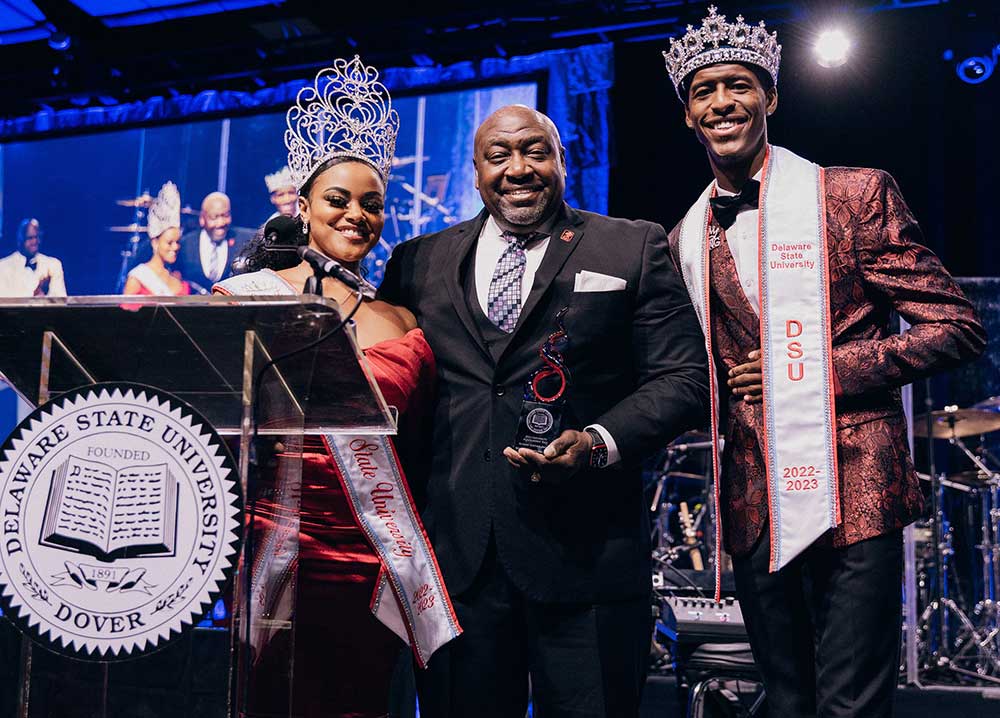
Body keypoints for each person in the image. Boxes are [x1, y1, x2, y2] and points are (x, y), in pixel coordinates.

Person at [662, 7, 986, 717]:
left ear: (770, 98)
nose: (723, 102)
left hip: (856, 486)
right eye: (705, 91)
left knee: (849, 703)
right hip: (753, 500)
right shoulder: (682, 237)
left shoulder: (853, 193)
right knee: (784, 701)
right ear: (687, 114)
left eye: (739, 85)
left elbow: (957, 328)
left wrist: (813, 369)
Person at [378, 103, 709, 717]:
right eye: (498, 156)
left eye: (535, 151)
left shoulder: (630, 245)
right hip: (458, 564)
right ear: (475, 172)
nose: (518, 169)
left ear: (562, 161)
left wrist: (598, 441)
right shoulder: (416, 261)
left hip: (589, 559)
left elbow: (685, 377)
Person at [214, 56, 458, 718]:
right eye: (338, 200)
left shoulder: (402, 320)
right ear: (303, 207)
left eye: (372, 204)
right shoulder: (245, 299)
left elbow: (424, 445)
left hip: (375, 554)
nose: (356, 215)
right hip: (276, 547)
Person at [123, 182, 191, 296]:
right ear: (155, 243)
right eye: (169, 243)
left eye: (177, 242)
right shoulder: (138, 278)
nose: (175, 247)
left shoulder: (178, 277)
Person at [177, 191, 249, 290]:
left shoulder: (245, 240)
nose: (220, 223)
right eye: (214, 217)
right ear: (202, 219)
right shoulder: (185, 244)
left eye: (226, 215)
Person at [0, 218, 66, 297]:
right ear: (20, 240)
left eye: (37, 237)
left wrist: (43, 295)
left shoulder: (53, 265)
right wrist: (34, 297)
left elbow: (61, 301)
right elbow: (4, 300)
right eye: (30, 238)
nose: (35, 242)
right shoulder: (3, 267)